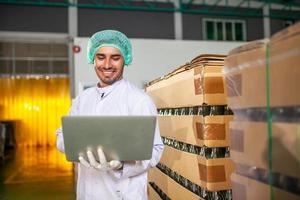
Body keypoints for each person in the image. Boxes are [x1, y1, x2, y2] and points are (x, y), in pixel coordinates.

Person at [56, 30, 164, 200]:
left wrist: (122, 165)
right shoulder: (82, 100)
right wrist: (76, 149)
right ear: (93, 58)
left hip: (123, 194)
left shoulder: (139, 100)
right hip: (87, 193)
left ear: (125, 60)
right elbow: (62, 135)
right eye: (101, 57)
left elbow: (155, 150)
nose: (107, 65)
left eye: (115, 58)